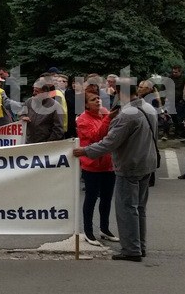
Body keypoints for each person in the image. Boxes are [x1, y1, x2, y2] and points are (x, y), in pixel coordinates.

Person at [72, 80, 157, 262]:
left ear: (119, 92)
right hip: (147, 162)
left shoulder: (126, 114)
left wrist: (85, 151)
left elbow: (109, 142)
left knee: (127, 208)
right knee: (139, 208)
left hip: (129, 164)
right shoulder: (149, 108)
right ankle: (139, 246)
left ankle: (131, 250)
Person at [75, 91, 118, 246]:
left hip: (108, 164)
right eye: (93, 99)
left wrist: (109, 117)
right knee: (91, 199)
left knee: (106, 199)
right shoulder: (83, 120)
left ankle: (104, 229)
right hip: (92, 165)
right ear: (86, 104)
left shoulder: (105, 114)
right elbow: (95, 138)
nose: (98, 101)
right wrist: (108, 119)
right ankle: (88, 231)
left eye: (99, 98)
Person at [20, 78, 64, 143]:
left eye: (37, 91)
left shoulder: (55, 106)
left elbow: (58, 129)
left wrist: (47, 144)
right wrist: (23, 117)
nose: (33, 93)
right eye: (33, 90)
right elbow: (22, 114)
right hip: (28, 142)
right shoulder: (29, 101)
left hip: (44, 145)